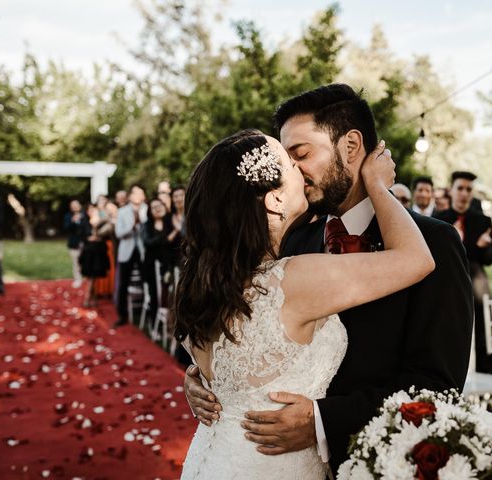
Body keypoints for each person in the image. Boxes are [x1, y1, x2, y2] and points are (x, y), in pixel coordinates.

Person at [184, 84, 473, 474]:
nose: (294, 171)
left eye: (301, 154)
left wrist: (323, 421)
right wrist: (206, 383)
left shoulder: (435, 242)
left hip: (377, 465)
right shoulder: (290, 242)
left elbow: (437, 385)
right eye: (286, 160)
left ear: (351, 147)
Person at [434, 171, 492, 372]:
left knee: (480, 334)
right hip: (448, 284)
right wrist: (473, 247)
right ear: (451, 190)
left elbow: (489, 259)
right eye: (460, 188)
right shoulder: (439, 219)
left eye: (469, 189)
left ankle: (484, 374)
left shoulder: (483, 221)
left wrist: (483, 247)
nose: (464, 193)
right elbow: (438, 257)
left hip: (476, 284)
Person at [114, 185, 148, 327]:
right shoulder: (122, 211)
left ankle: (146, 313)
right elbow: (118, 233)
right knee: (123, 283)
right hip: (126, 251)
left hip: (142, 250)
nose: (139, 195)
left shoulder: (147, 209)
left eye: (141, 193)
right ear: (131, 196)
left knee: (145, 281)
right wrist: (131, 227)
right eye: (136, 193)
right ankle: (122, 315)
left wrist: (140, 226)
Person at [142, 197, 176, 327]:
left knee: (169, 293)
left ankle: (169, 322)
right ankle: (153, 324)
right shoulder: (147, 225)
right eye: (154, 207)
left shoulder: (170, 222)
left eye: (159, 205)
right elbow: (148, 243)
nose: (157, 209)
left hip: (168, 264)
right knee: (154, 294)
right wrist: (167, 237)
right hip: (152, 265)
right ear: (150, 211)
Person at [79, 203, 111, 307]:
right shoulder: (84, 223)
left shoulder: (101, 222)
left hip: (98, 253)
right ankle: (88, 299)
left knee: (95, 277)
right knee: (91, 277)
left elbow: (104, 236)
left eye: (94, 210)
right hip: (89, 254)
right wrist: (91, 238)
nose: (92, 212)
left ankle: (92, 298)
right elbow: (83, 237)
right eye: (90, 210)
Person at [63, 199, 87, 289]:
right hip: (74, 243)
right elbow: (66, 228)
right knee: (76, 262)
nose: (75, 207)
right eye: (73, 206)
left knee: (86, 261)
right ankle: (78, 279)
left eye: (76, 205)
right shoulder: (68, 216)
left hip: (85, 242)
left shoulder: (85, 214)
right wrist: (73, 221)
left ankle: (87, 278)